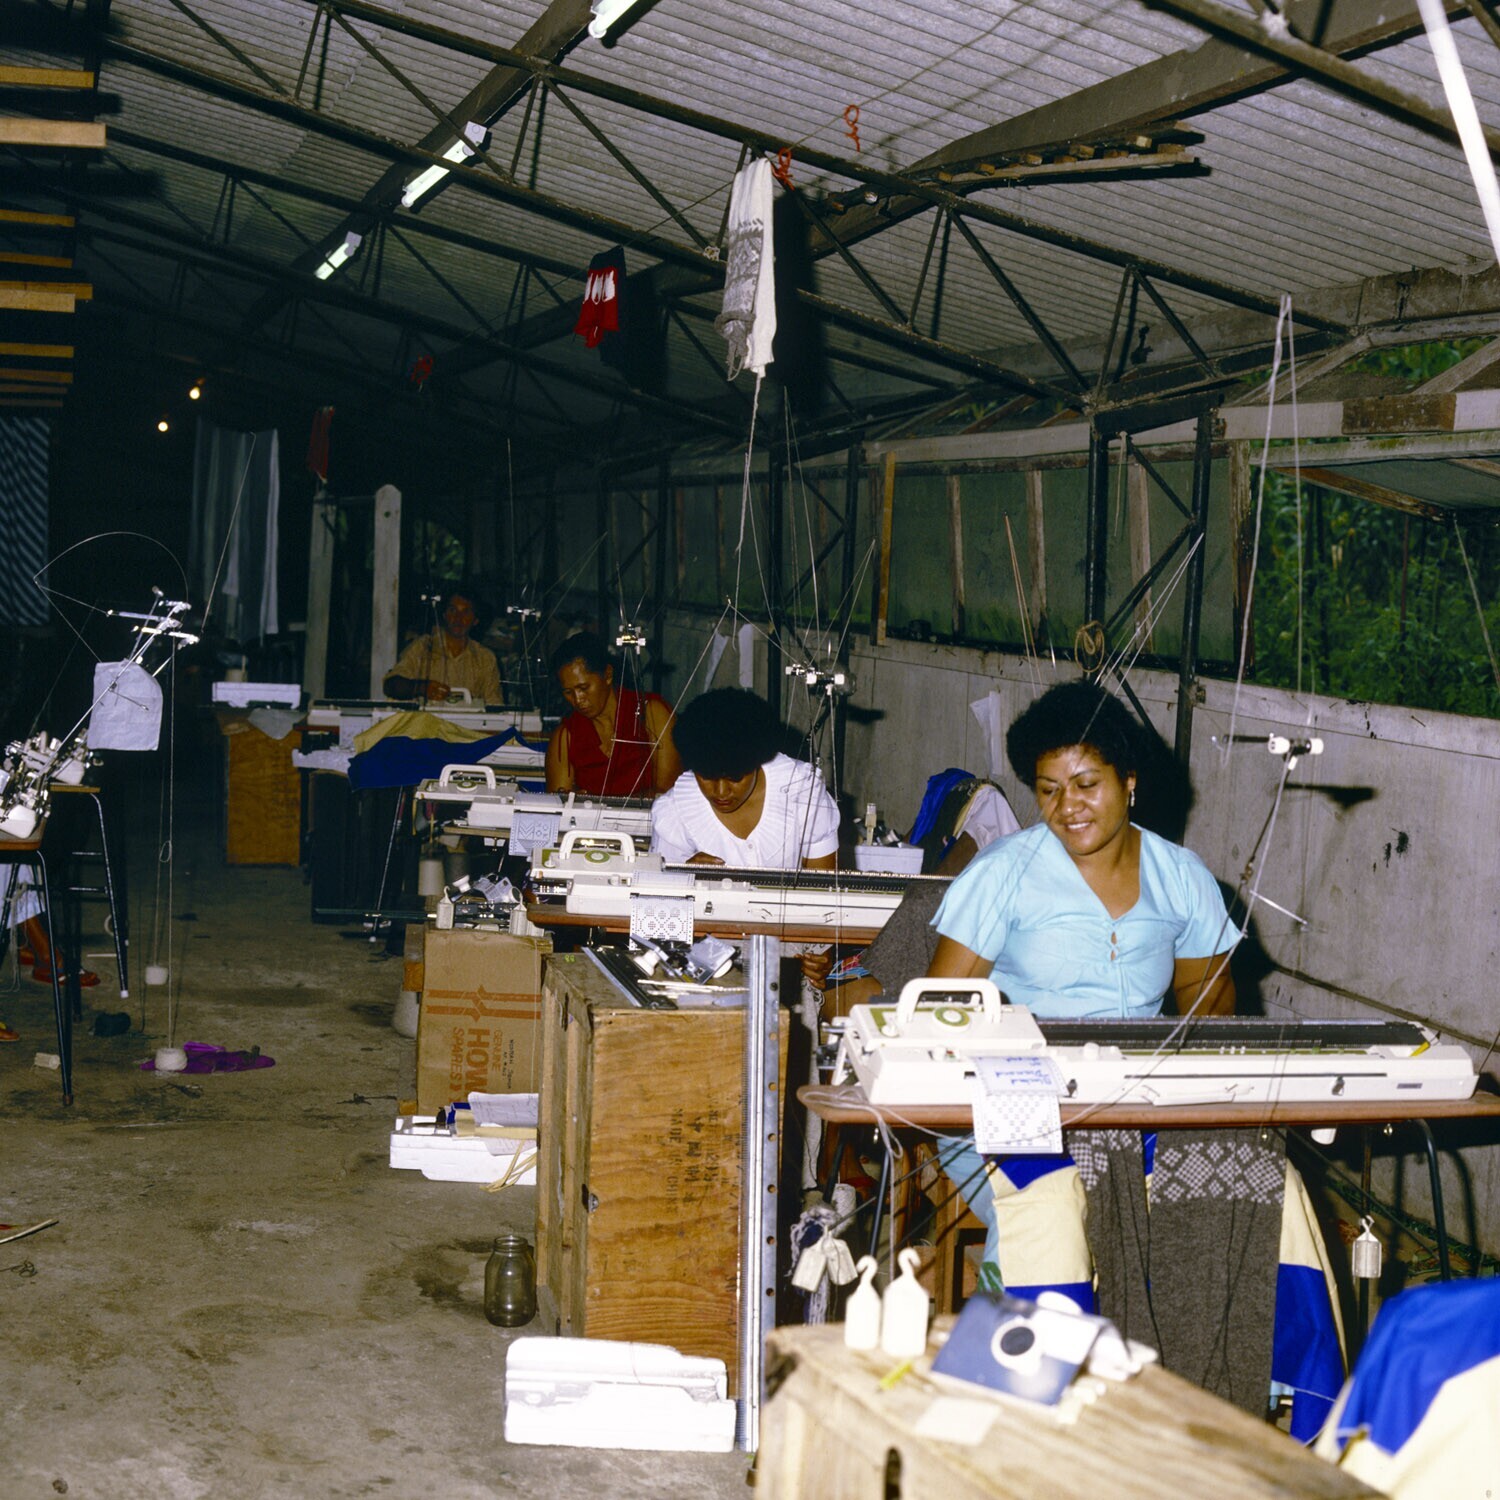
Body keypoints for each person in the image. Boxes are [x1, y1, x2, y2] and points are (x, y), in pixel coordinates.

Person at [925, 678, 1236, 1284]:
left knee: (1247, 1187)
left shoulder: (1182, 877)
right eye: (1049, 790)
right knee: (1053, 1206)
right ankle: (1018, 1338)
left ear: (1129, 780)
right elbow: (937, 1019)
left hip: (1134, 1106)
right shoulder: (1004, 874)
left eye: (1087, 784)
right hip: (1006, 1107)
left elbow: (1211, 1017)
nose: (1068, 807)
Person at [650, 688, 839, 870]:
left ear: (757, 762)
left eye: (735, 777)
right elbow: (658, 886)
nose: (721, 792)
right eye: (707, 777)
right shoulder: (674, 810)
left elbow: (824, 885)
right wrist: (683, 875)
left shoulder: (803, 790)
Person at [545, 632, 680, 798]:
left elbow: (667, 792)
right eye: (568, 692)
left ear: (608, 674)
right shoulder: (566, 737)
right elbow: (557, 803)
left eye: (584, 688)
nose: (578, 700)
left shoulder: (652, 713)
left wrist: (597, 804)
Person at [383, 591, 503, 705]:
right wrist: (421, 687)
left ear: (475, 620)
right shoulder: (423, 646)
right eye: (452, 610)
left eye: (466, 612)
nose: (458, 618)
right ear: (444, 615)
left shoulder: (485, 658)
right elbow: (390, 686)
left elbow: (495, 705)